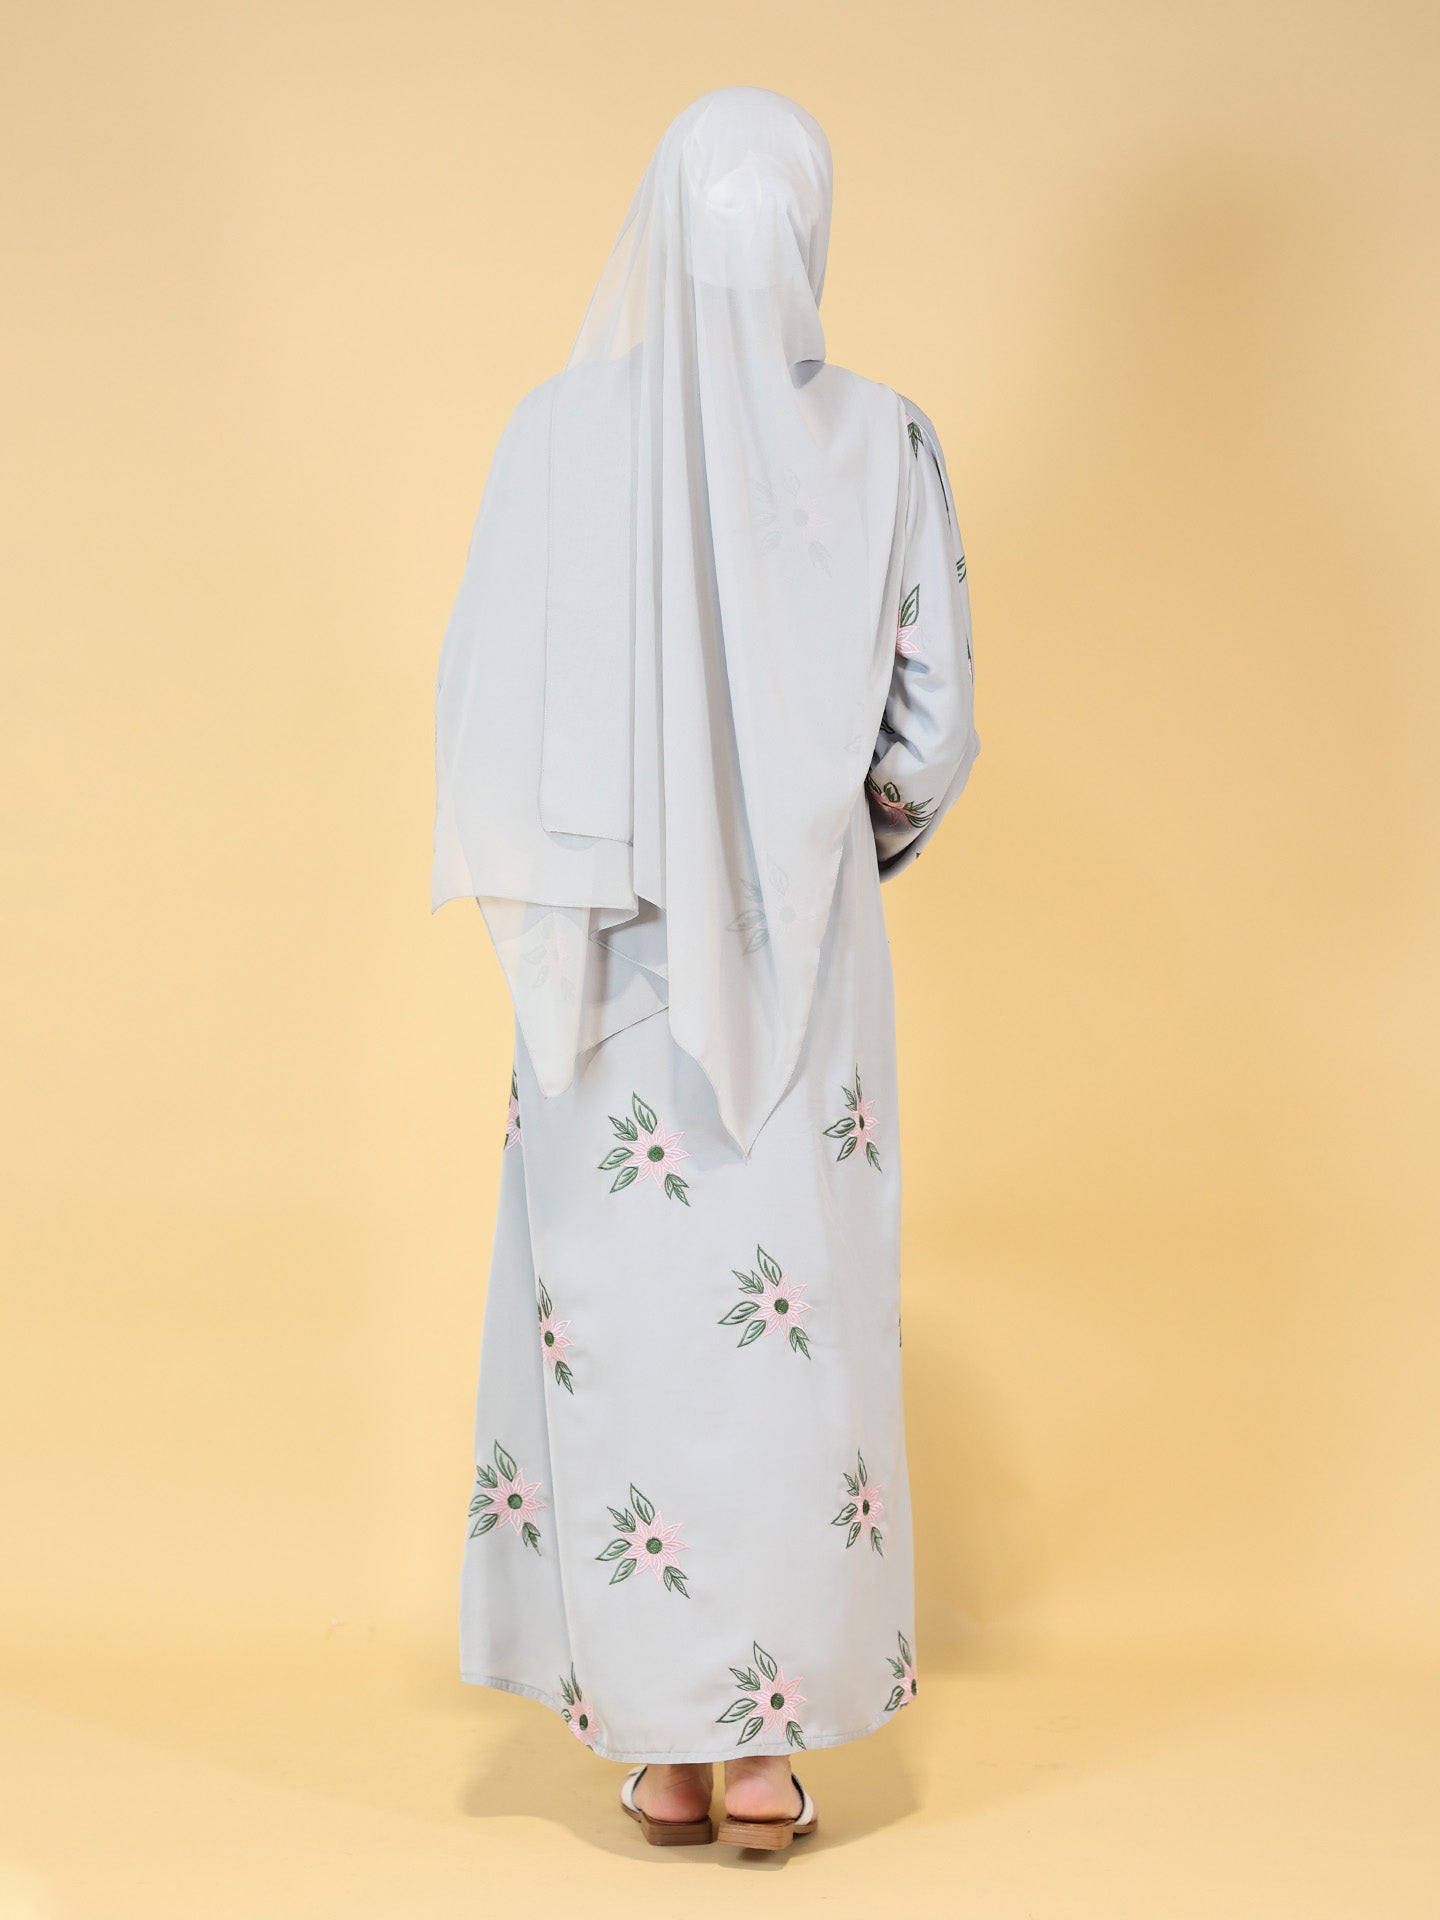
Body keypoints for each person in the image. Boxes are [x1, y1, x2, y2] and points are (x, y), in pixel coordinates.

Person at [430, 84, 980, 1852]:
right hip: (802, 965)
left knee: (629, 1323)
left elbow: (484, 704)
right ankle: (765, 1757)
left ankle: (661, 1748)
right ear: (807, 234)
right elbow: (931, 734)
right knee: (788, 1325)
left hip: (604, 973)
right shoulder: (884, 442)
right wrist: (819, 857)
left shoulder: (549, 437)